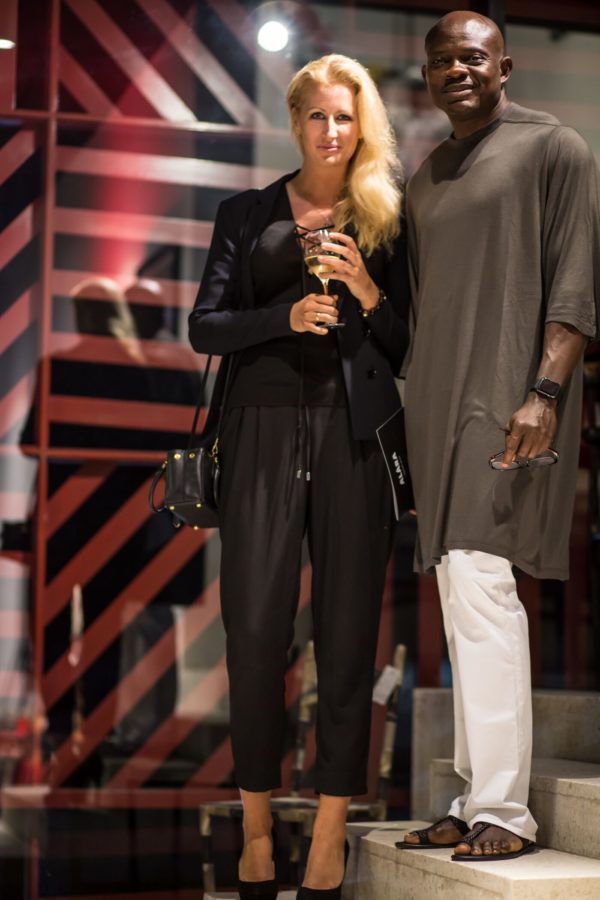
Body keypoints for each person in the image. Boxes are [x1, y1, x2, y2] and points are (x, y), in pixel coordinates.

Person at [189, 55, 409, 898]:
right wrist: (283, 316)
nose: (331, 130)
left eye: (345, 116)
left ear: (362, 125)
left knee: (348, 636)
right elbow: (205, 327)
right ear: (295, 121)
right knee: (254, 632)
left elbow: (406, 345)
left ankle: (327, 834)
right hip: (260, 431)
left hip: (355, 437)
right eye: (317, 115)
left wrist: (363, 286)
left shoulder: (388, 216)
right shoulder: (245, 214)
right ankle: (255, 830)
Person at [400, 11, 600, 861]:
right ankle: (472, 793)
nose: (458, 69)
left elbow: (577, 286)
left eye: (473, 56)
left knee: (484, 584)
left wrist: (544, 392)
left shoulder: (555, 148)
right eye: (443, 60)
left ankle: (505, 812)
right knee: (459, 591)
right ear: (428, 75)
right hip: (437, 407)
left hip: (513, 399)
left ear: (505, 66)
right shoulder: (426, 176)